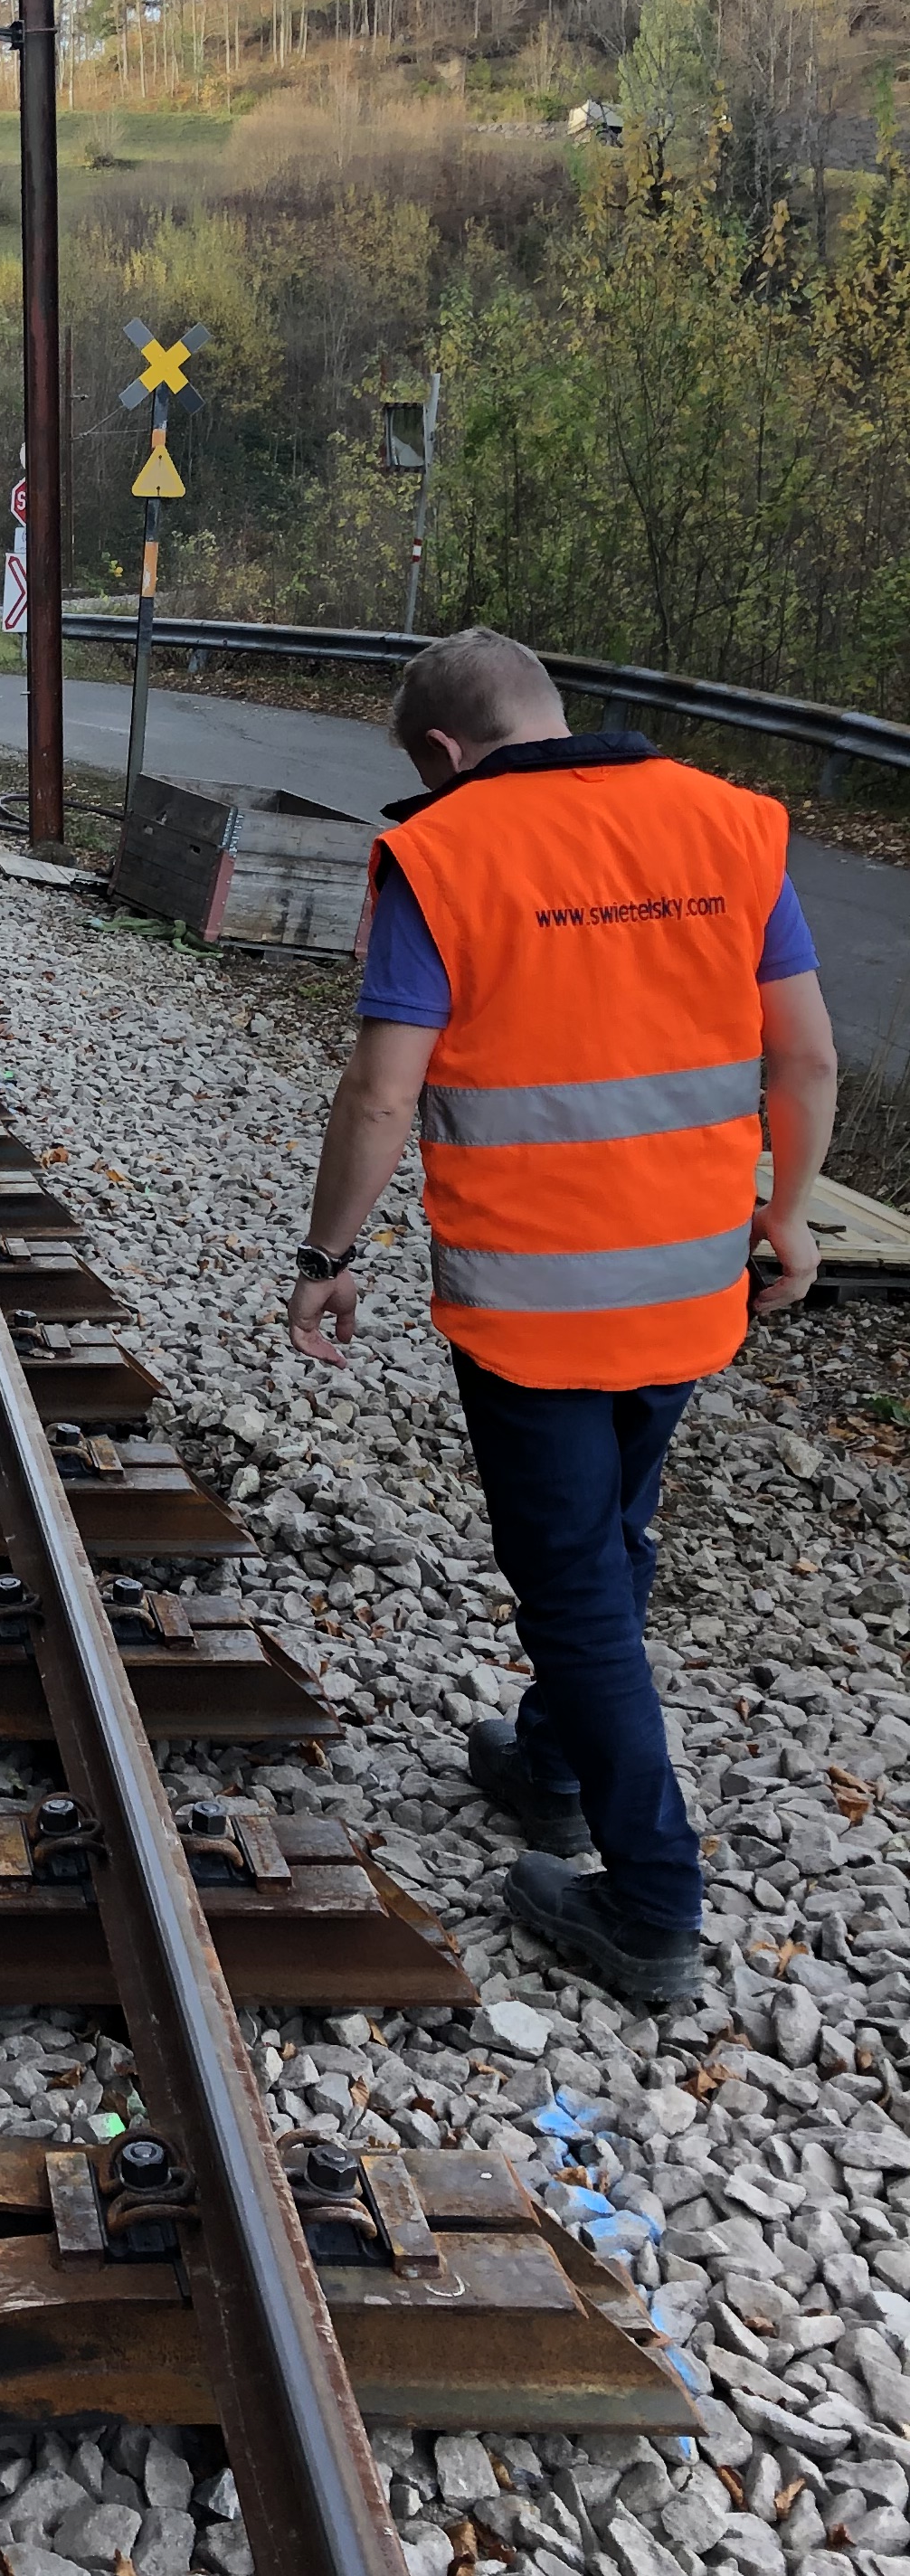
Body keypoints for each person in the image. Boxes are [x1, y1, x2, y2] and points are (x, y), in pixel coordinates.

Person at [285, 625, 839, 2006]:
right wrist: (791, 1214)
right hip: (692, 1287)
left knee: (573, 1583)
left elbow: (379, 1093)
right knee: (618, 1534)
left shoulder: (447, 850)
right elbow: (807, 1050)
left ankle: (651, 1901)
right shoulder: (732, 825)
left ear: (439, 754)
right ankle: (551, 1763)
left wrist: (328, 1251)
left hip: (533, 1310)